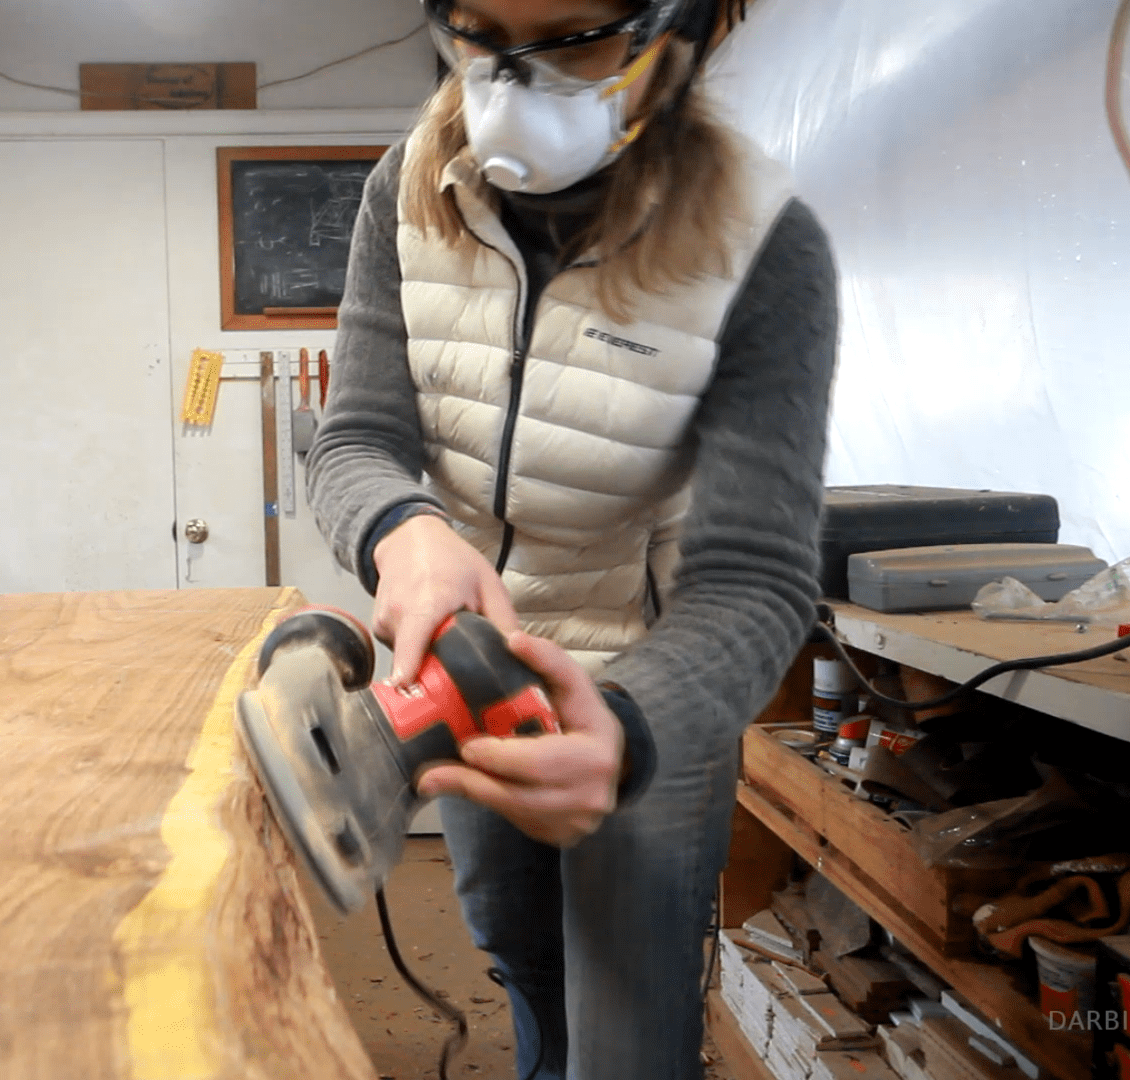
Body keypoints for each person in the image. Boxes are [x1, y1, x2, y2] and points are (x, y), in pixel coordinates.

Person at [305, 0, 837, 1075]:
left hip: (648, 691)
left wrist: (631, 731)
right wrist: (403, 532)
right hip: (470, 672)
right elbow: (354, 439)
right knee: (521, 962)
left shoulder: (760, 243)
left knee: (626, 1034)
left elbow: (755, 578)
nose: (509, 79)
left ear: (672, 31)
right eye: (477, 29)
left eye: (572, 35)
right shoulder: (406, 190)